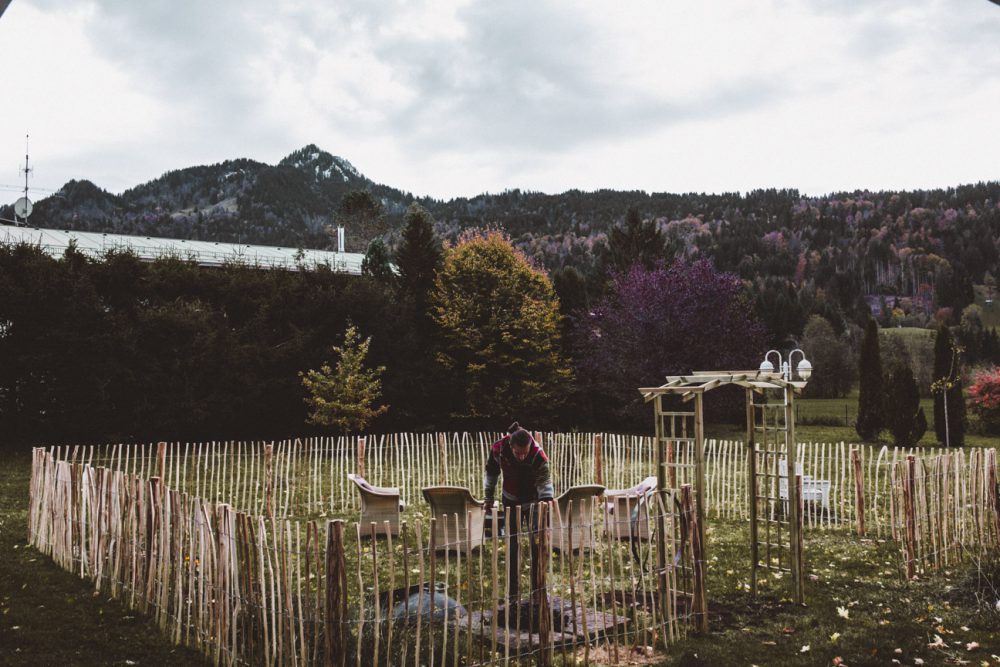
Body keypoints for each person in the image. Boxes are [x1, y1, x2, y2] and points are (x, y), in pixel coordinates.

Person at [483, 422, 554, 606]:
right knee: (512, 545)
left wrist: (545, 513)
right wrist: (488, 497)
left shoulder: (538, 454)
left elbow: (544, 483)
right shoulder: (499, 449)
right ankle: (513, 594)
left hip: (532, 501)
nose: (522, 457)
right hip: (510, 500)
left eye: (525, 452)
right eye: (518, 453)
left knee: (536, 544)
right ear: (511, 447)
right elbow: (491, 472)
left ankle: (538, 591)